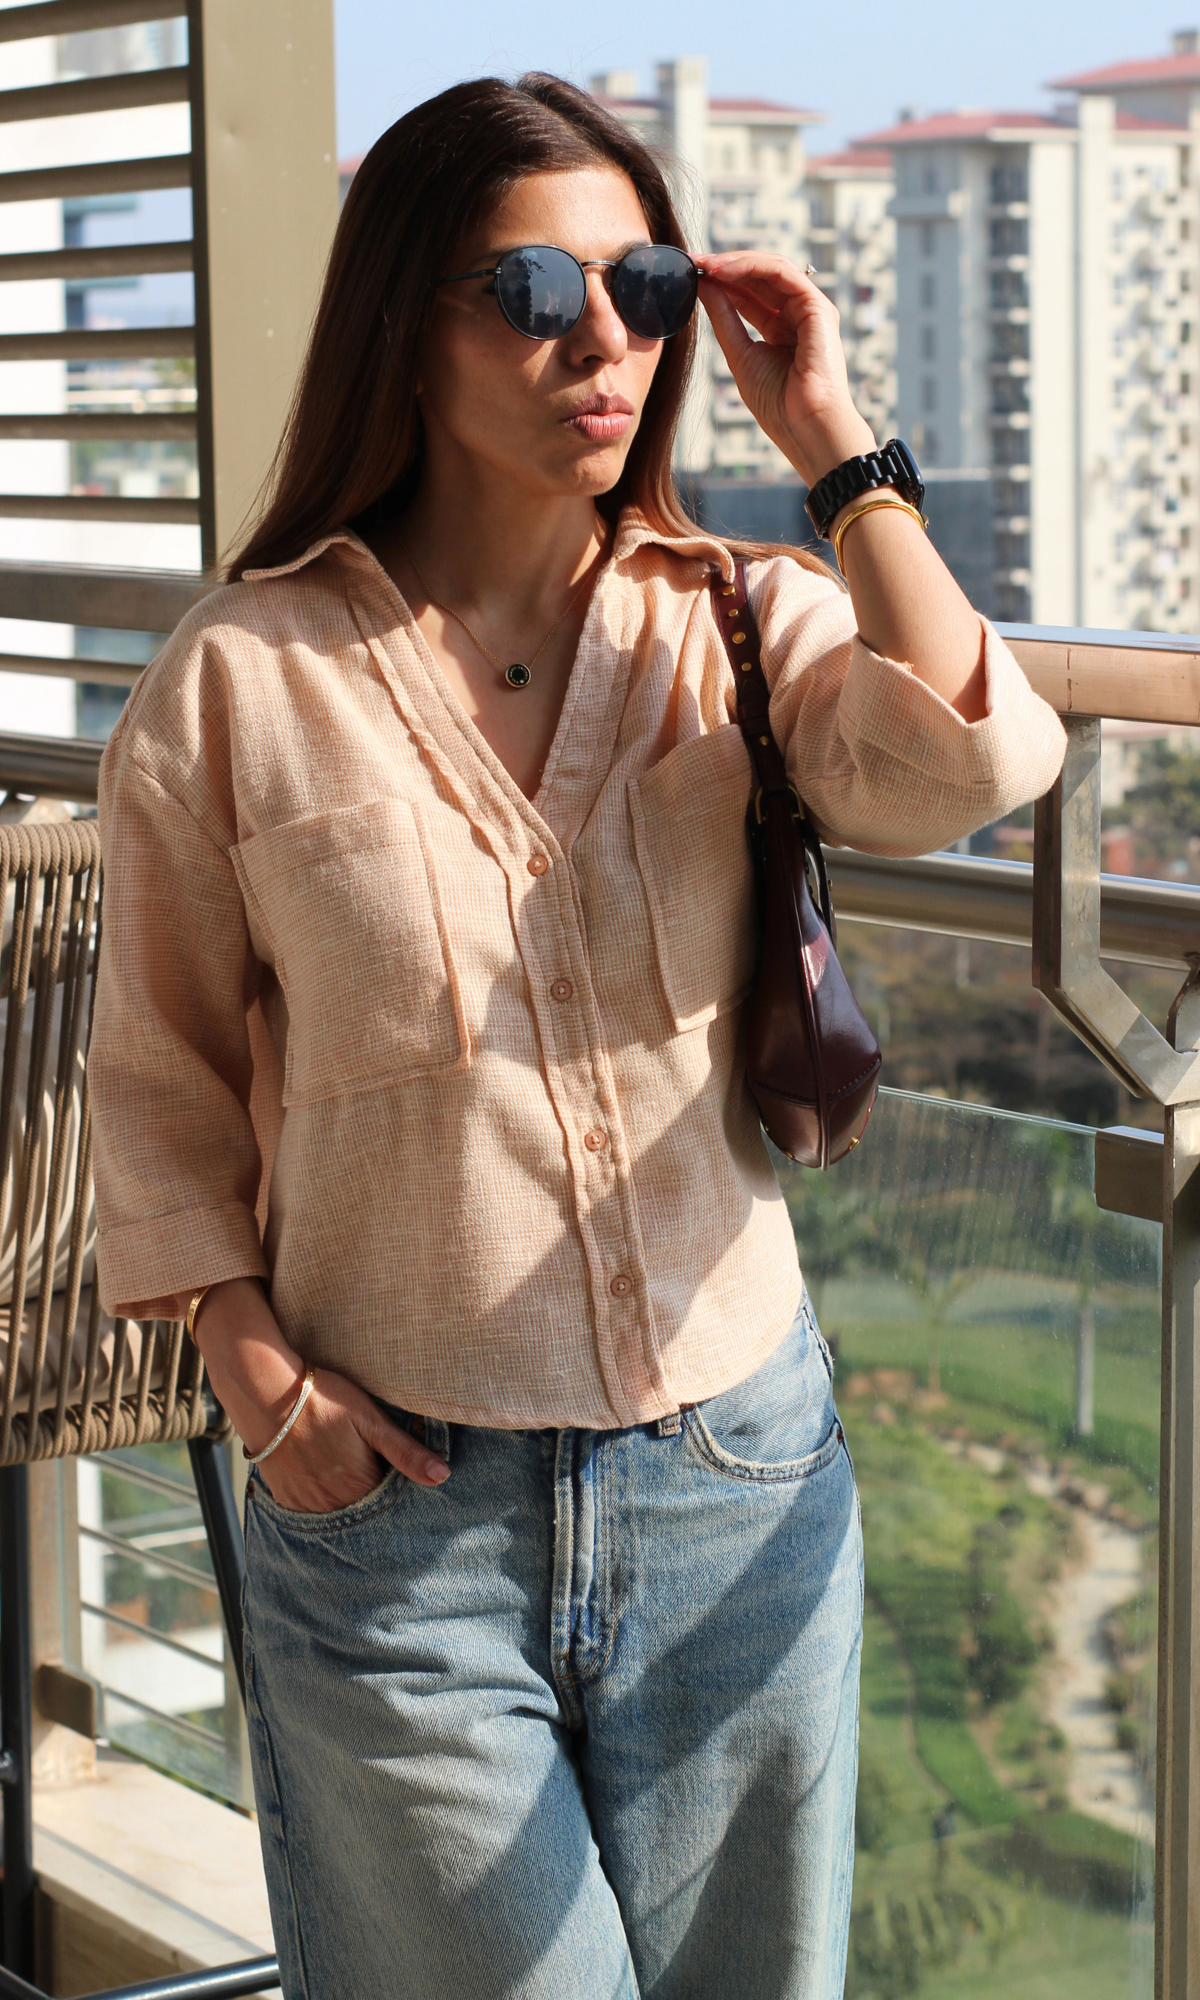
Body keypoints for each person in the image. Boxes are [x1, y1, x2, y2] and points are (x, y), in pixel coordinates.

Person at [88, 73, 1066, 2000]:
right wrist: (261, 1380)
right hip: (392, 1519)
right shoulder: (243, 678)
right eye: (531, 289)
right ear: (405, 320)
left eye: (646, 281)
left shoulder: (737, 620)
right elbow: (157, 1075)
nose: (602, 335)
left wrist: (835, 444)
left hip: (738, 1473)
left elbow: (973, 755)